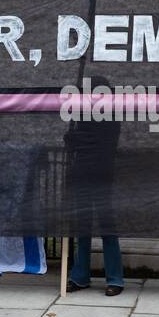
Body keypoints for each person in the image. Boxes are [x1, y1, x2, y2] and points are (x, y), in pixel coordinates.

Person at [64, 85, 124, 297]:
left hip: (102, 177)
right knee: (82, 227)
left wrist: (74, 138)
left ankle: (115, 278)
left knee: (107, 228)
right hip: (82, 174)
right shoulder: (83, 117)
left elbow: (100, 142)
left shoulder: (110, 119)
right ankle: (79, 276)